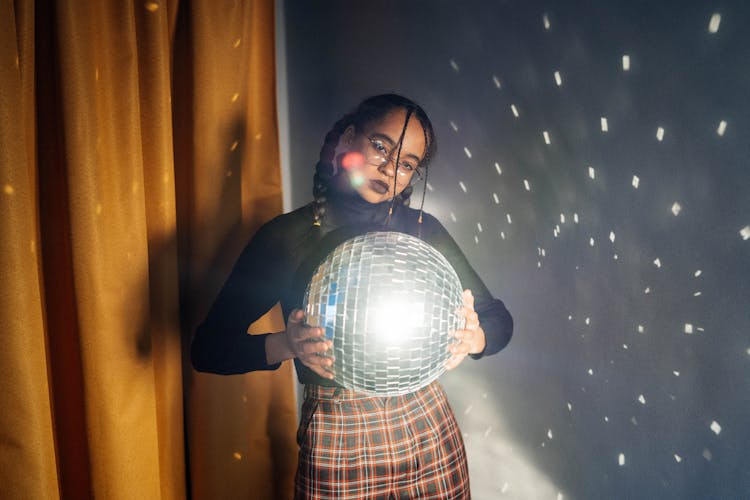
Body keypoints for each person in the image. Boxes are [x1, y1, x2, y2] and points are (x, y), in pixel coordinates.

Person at [191, 94, 513, 499]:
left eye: (408, 163)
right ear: (347, 138)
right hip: (336, 434)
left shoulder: (421, 231)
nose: (391, 169)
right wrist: (286, 344)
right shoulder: (286, 238)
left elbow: (498, 320)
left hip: (426, 424)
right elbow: (207, 350)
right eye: (381, 147)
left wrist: (475, 336)